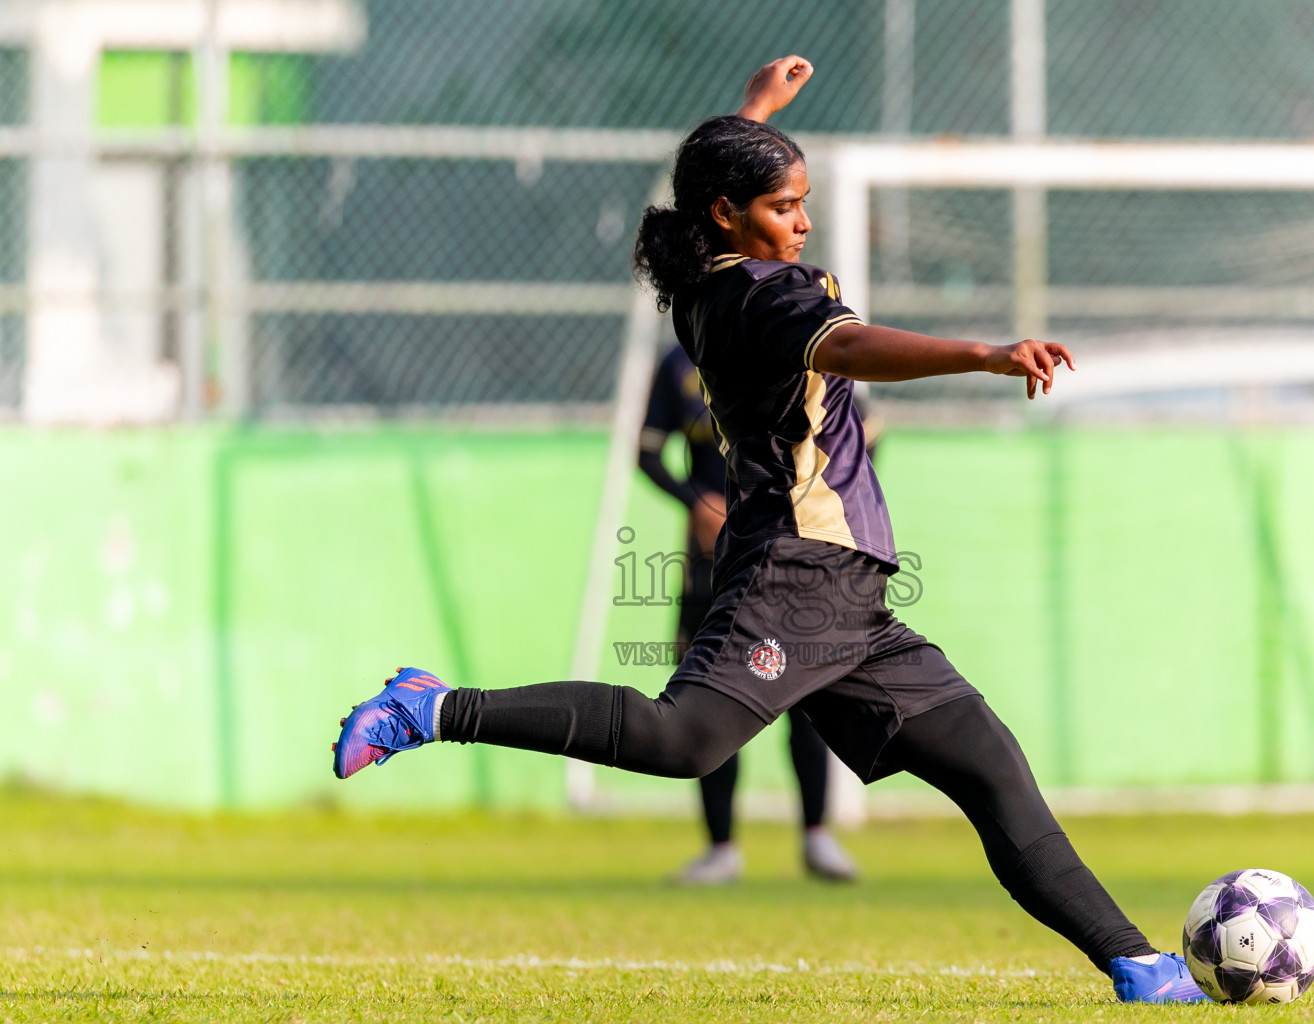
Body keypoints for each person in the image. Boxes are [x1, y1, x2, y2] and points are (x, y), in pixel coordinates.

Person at [332, 56, 1209, 1004]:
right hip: (793, 576)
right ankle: (432, 709)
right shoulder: (762, 297)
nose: (801, 220)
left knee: (990, 766)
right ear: (726, 213)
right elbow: (855, 345)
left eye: (801, 201)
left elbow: (720, 181)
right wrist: (985, 354)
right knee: (682, 742)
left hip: (849, 599)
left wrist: (752, 112)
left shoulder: (708, 273)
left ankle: (1140, 966)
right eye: (785, 204)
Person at [639, 341, 862, 884]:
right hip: (713, 559)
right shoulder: (678, 363)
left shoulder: (812, 346)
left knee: (809, 692)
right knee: (704, 694)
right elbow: (645, 452)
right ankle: (721, 847)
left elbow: (862, 447)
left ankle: (817, 835)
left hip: (796, 554)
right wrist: (697, 502)